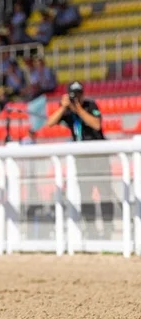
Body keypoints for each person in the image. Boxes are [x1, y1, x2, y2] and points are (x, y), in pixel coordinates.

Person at [45, 81, 113, 237]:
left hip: (99, 158)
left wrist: (79, 109)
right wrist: (63, 107)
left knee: (105, 194)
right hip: (82, 160)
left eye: (79, 94)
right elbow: (50, 122)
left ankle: (108, 230)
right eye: (74, 94)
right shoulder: (68, 112)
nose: (77, 97)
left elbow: (96, 124)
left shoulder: (90, 105)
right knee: (85, 195)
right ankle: (90, 230)